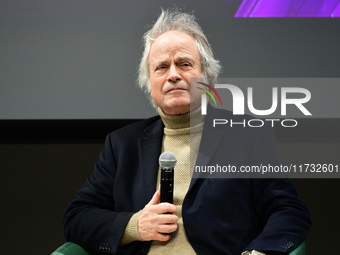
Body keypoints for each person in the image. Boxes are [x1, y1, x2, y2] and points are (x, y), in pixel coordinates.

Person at [63, 9, 311, 255]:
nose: (173, 75)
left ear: (206, 76)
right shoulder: (121, 144)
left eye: (184, 64)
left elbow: (287, 210)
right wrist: (134, 226)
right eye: (161, 67)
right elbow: (78, 217)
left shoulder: (246, 135)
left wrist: (258, 253)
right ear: (150, 85)